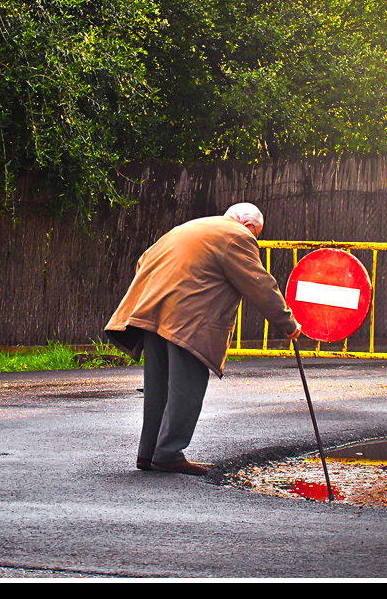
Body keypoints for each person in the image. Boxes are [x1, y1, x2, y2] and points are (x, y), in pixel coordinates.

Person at [104, 203, 302, 476]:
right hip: (189, 321)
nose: (254, 239)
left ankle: (149, 453)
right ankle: (168, 454)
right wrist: (287, 323)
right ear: (248, 226)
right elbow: (259, 284)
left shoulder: (187, 228)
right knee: (186, 388)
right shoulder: (237, 236)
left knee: (158, 388)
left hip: (151, 313)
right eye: (256, 234)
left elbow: (144, 260)